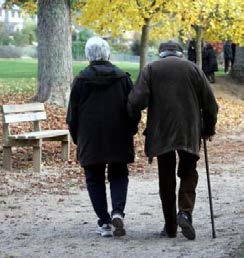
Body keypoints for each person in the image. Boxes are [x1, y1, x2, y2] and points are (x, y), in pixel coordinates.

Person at [127, 40, 218, 240]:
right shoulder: (194, 69)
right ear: (180, 53)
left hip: (161, 132)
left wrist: (132, 120)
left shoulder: (150, 69)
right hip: (189, 130)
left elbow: (137, 101)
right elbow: (211, 104)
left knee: (166, 177)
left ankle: (170, 227)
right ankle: (184, 212)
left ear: (161, 53)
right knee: (188, 171)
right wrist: (208, 128)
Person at [66, 36, 139, 237]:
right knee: (119, 173)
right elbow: (133, 109)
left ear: (88, 55)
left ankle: (104, 222)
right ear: (107, 53)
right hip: (118, 134)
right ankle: (117, 211)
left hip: (90, 137)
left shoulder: (81, 80)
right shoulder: (122, 78)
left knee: (94, 178)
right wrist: (131, 129)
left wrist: (77, 137)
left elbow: (72, 114)